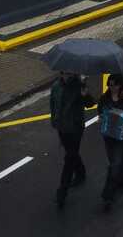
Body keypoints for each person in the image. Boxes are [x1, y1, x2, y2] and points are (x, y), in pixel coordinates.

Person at [50, 72, 96, 209]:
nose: (67, 74)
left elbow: (90, 103)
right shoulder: (56, 86)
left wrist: (85, 94)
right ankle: (81, 172)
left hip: (75, 128)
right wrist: (54, 120)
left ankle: (62, 191)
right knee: (72, 153)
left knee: (69, 158)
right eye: (64, 72)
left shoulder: (79, 85)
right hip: (62, 127)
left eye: (69, 72)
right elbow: (53, 103)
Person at [98, 74, 123, 210]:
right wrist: (101, 118)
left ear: (120, 85)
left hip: (122, 138)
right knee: (116, 161)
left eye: (114, 84)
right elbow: (100, 111)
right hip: (108, 136)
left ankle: (108, 195)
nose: (111, 87)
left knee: (115, 164)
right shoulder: (104, 98)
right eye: (110, 84)